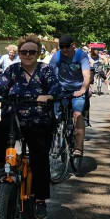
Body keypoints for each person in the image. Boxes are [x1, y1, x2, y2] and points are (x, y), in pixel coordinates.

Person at [0, 35, 59, 219]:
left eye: (32, 51)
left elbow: (56, 88)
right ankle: (2, 166)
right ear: (19, 52)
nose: (28, 55)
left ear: (38, 53)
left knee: (40, 159)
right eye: (24, 51)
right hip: (14, 118)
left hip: (39, 121)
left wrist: (49, 96)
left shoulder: (45, 70)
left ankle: (40, 201)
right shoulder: (12, 70)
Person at [47, 34, 91, 165]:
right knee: (53, 115)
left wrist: (83, 90)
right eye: (62, 47)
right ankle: (54, 140)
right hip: (61, 90)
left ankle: (78, 147)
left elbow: (86, 76)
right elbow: (49, 73)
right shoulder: (57, 56)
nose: (64, 50)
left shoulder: (81, 56)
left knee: (77, 115)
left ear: (73, 46)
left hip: (78, 90)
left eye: (67, 47)